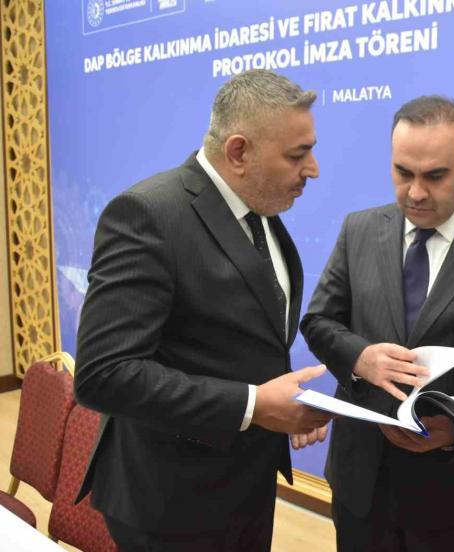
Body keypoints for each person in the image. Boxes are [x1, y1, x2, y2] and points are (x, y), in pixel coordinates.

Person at [74, 69, 333, 551]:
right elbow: (103, 374)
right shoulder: (148, 215)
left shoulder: (261, 209)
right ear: (239, 152)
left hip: (246, 487)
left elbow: (237, 338)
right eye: (297, 155)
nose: (313, 169)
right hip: (170, 503)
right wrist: (254, 405)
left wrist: (284, 407)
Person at [300, 95, 454, 552]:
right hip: (361, 481)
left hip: (453, 489)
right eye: (402, 173)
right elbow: (318, 321)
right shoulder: (359, 230)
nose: (415, 192)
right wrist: (361, 358)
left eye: (434, 176)